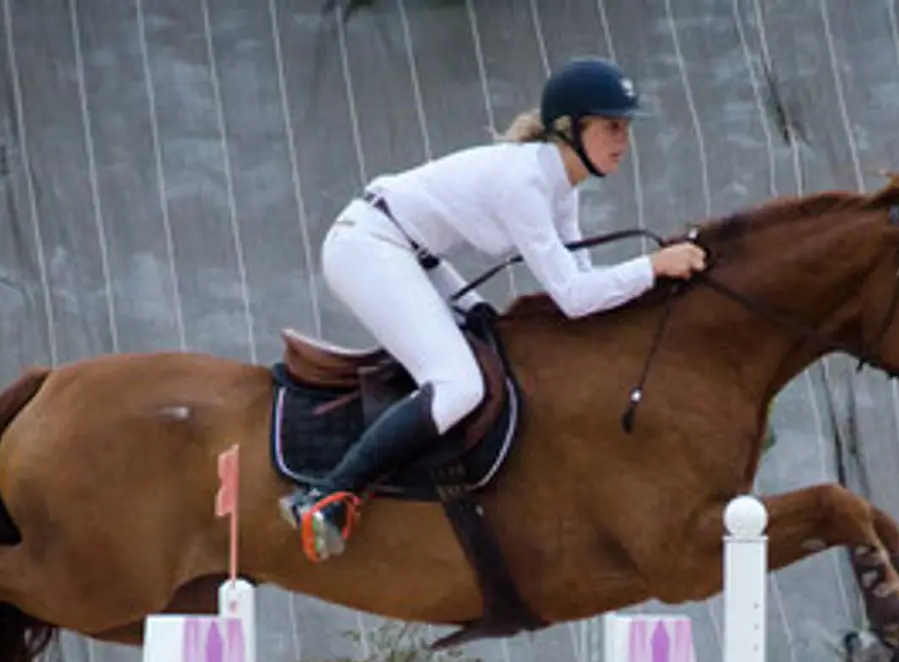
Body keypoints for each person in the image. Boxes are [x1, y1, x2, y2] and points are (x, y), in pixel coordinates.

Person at [277, 56, 709, 561]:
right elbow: (572, 298)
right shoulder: (524, 184)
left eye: (626, 128)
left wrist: (651, 277)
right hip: (368, 247)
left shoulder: (560, 187)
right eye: (612, 126)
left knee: (491, 332)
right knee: (460, 384)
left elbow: (584, 288)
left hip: (414, 253)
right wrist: (653, 267)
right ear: (569, 129)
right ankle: (328, 495)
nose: (623, 141)